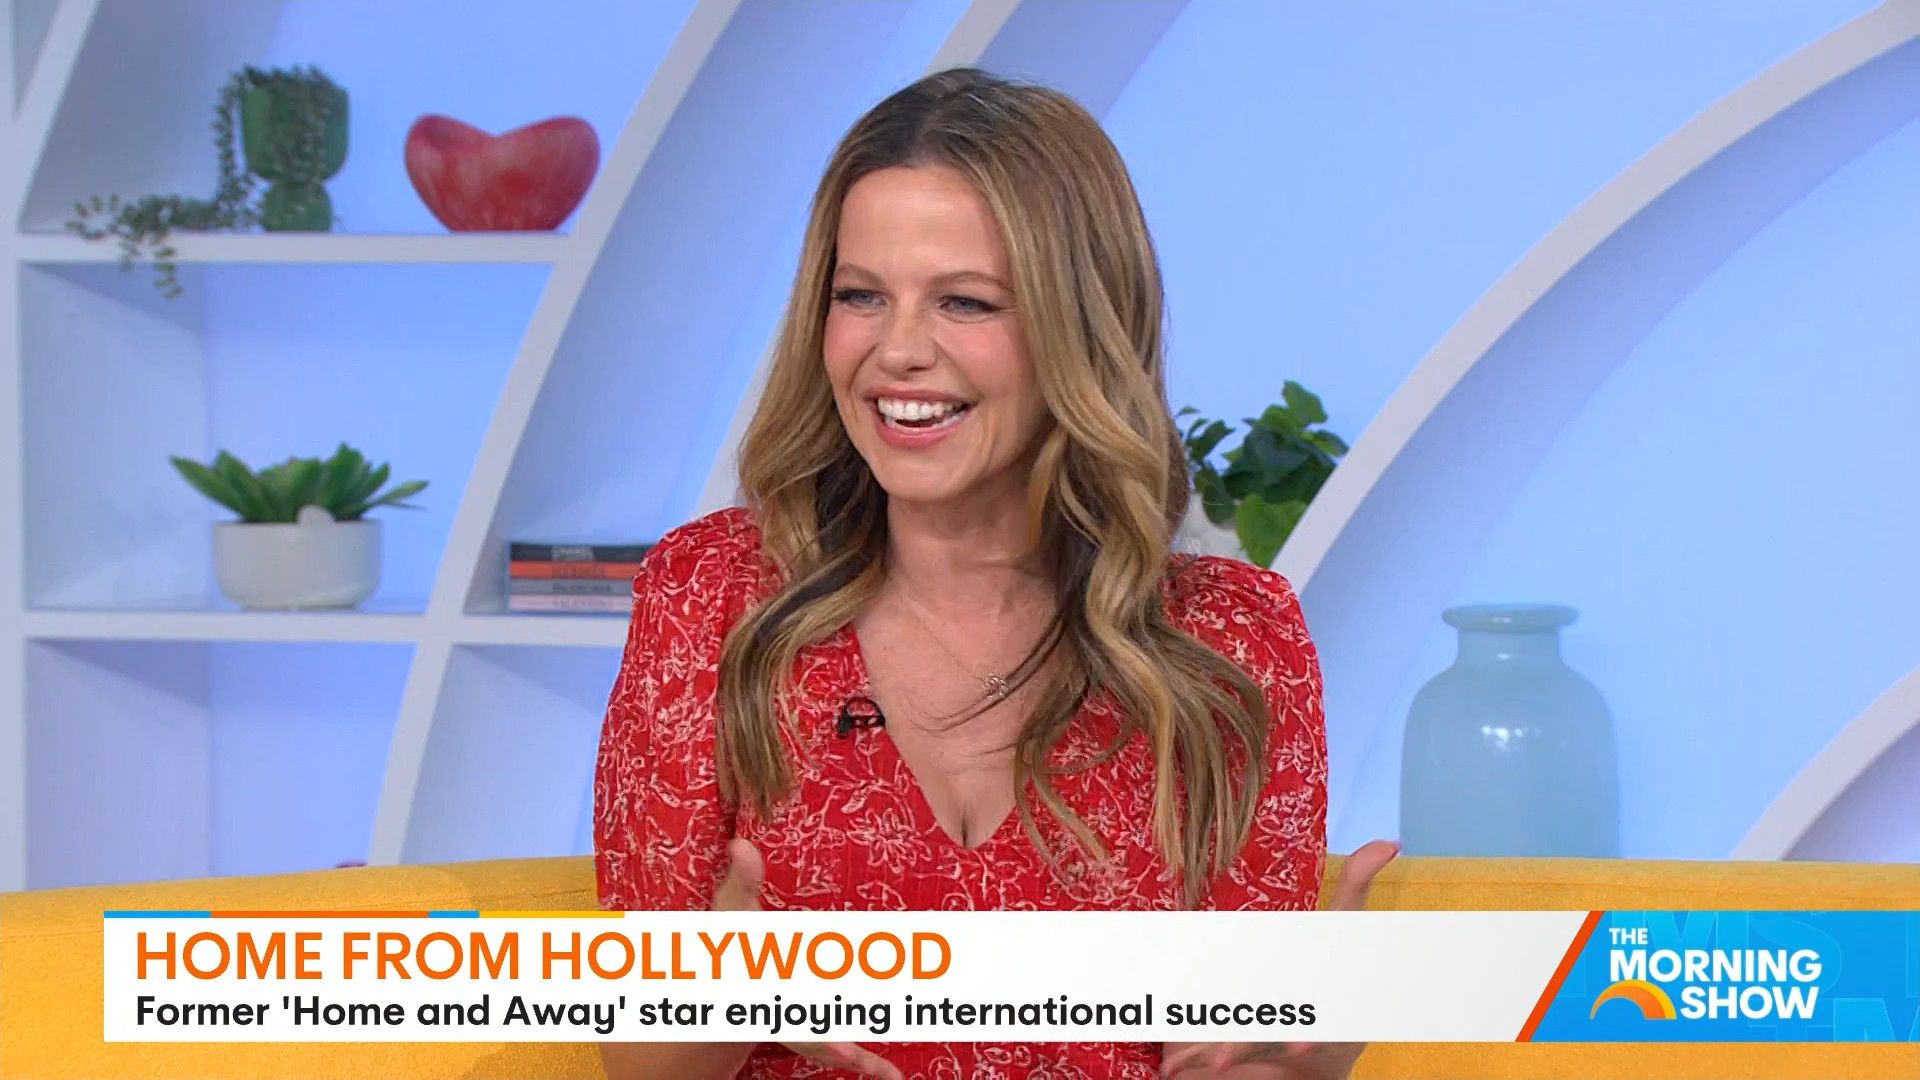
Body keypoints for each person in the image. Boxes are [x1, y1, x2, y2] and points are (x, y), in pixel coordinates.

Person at [594, 67, 1397, 1080]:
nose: (898, 351)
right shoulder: (711, 596)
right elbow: (643, 1069)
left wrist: (1301, 1060)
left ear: (1081, 329)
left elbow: (1237, 1048)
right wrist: (723, 993)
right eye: (860, 296)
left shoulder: (1234, 643)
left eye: (965, 302)